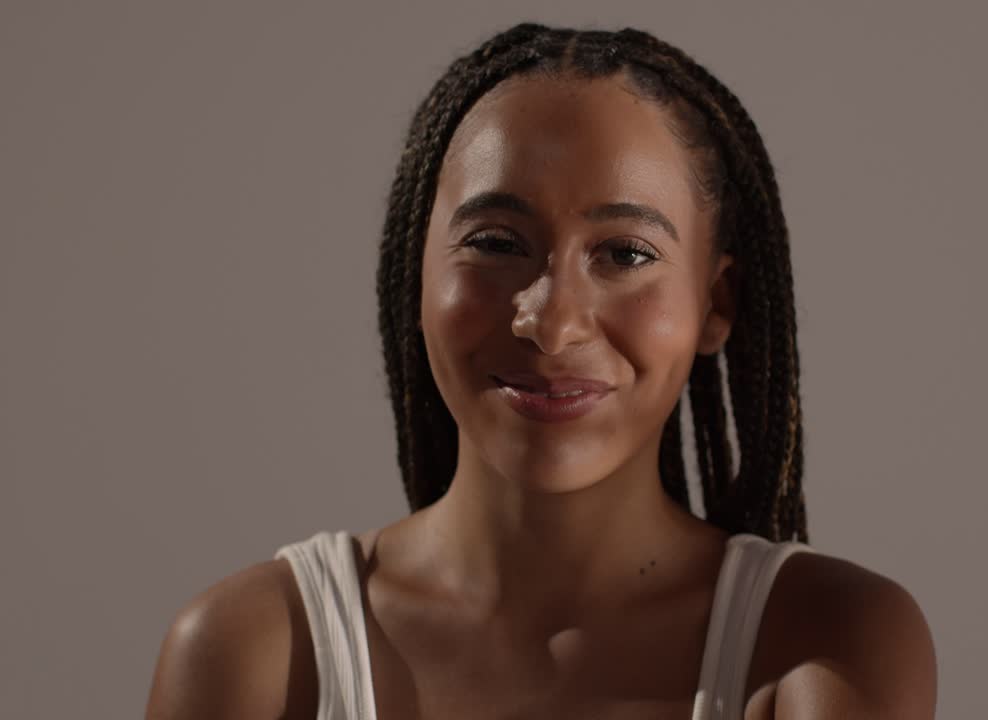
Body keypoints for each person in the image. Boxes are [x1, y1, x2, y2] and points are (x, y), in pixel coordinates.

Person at [144, 23, 936, 720]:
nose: (551, 324)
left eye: (625, 253)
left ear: (715, 303)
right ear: (414, 276)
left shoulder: (823, 646)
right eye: (494, 242)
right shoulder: (252, 656)